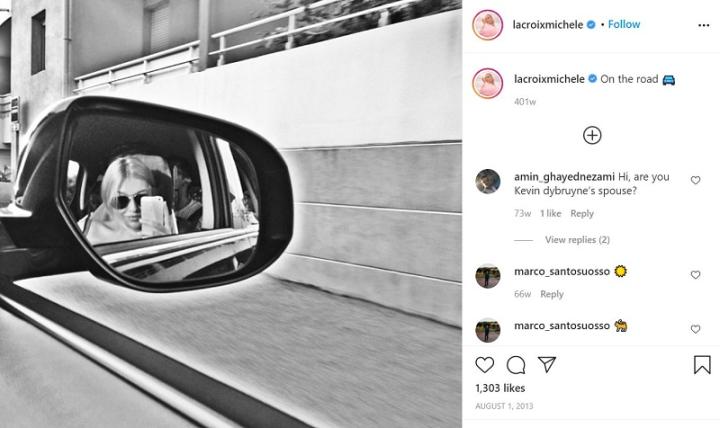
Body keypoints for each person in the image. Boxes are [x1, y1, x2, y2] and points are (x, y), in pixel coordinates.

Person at [84, 156, 175, 245]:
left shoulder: (165, 227)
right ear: (107, 200)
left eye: (141, 198)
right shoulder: (85, 230)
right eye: (121, 200)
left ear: (151, 195)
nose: (133, 208)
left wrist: (166, 243)